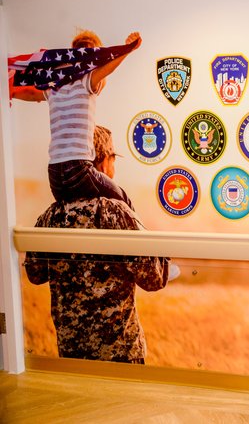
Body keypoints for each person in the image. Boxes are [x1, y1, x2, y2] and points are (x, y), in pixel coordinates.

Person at [23, 125, 169, 364]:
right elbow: (155, 278)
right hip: (121, 356)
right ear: (102, 162)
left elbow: (34, 274)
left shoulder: (50, 217)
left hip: (70, 356)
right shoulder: (115, 212)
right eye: (113, 158)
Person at [11, 30, 142, 205]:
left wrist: (10, 90)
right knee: (124, 201)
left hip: (54, 176)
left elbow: (30, 93)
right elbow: (108, 70)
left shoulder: (53, 85)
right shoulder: (86, 80)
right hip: (79, 169)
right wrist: (128, 49)